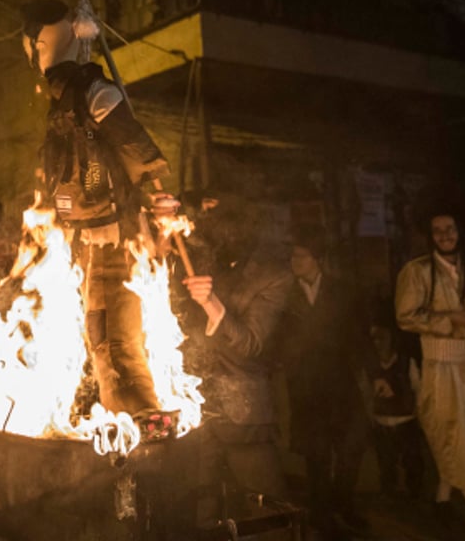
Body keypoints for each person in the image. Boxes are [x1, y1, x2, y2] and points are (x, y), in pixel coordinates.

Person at [19, 0, 177, 437]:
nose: (31, 54)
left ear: (43, 43)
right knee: (100, 343)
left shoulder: (95, 92)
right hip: (82, 246)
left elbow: (132, 145)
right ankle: (122, 420)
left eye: (34, 43)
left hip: (117, 241)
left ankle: (149, 418)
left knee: (123, 340)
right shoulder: (63, 102)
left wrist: (157, 195)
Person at [395, 185, 465, 539]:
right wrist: (448, 322)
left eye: (450, 229)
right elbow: (405, 317)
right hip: (441, 366)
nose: (444, 236)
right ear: (430, 235)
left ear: (460, 232)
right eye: (438, 231)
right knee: (457, 435)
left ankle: (442, 498)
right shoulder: (416, 272)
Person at [177, 191, 289, 521]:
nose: (204, 221)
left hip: (242, 410)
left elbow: (251, 342)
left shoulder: (273, 275)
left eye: (213, 213)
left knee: (266, 512)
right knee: (201, 510)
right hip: (195, 409)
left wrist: (211, 303)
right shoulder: (204, 257)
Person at [280, 226, 370, 537]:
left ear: (317, 259)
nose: (295, 261)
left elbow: (359, 335)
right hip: (305, 387)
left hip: (340, 383)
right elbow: (277, 339)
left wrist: (376, 374)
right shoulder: (285, 295)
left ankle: (343, 503)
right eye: (293, 256)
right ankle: (321, 513)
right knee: (316, 454)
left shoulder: (341, 291)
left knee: (350, 448)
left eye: (301, 256)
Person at [367, 316, 424, 500]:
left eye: (381, 338)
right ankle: (389, 495)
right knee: (386, 463)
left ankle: (415, 496)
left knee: (412, 462)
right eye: (374, 339)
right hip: (381, 422)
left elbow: (419, 389)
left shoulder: (406, 363)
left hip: (406, 421)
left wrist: (420, 416)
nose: (378, 344)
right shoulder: (371, 368)